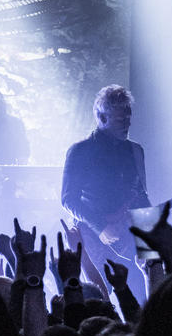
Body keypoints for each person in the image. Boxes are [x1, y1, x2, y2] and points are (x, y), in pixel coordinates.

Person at [61, 85, 149, 300]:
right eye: (120, 119)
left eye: (128, 118)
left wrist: (150, 240)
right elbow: (68, 199)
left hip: (128, 240)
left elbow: (141, 196)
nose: (127, 124)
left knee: (141, 298)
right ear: (101, 117)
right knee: (98, 301)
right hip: (93, 240)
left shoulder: (135, 151)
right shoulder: (80, 151)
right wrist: (100, 226)